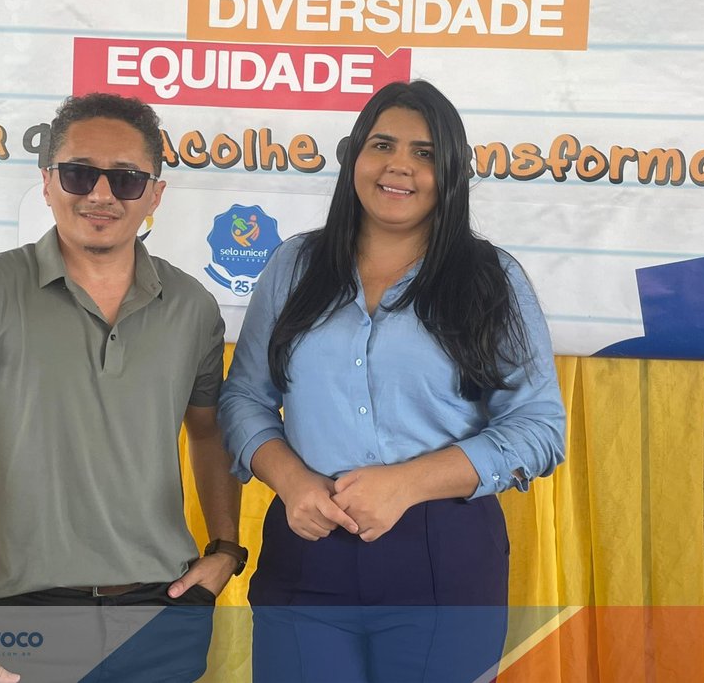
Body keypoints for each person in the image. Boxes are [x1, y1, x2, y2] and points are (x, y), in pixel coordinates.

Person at [219, 80, 566, 682]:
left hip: (443, 557)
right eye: (382, 145)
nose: (399, 166)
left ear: (450, 171)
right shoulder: (293, 267)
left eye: (424, 153)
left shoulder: (491, 278)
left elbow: (539, 428)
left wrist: (407, 484)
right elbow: (244, 398)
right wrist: (291, 480)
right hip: (307, 546)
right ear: (355, 156)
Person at [0, 93, 247, 683]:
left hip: (163, 614)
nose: (101, 194)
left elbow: (210, 434)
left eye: (126, 179)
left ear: (155, 194)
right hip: (20, 620)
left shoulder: (193, 306)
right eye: (80, 173)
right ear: (47, 182)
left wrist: (226, 551)